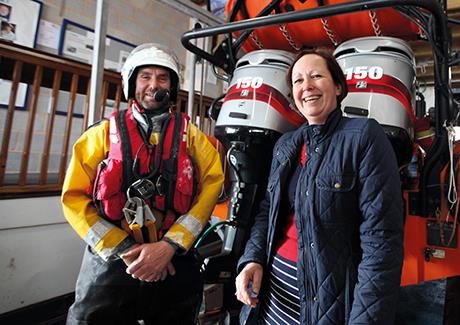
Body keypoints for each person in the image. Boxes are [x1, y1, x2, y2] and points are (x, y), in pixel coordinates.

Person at [235, 49, 404, 324]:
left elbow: (381, 240)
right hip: (270, 299)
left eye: (316, 76)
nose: (307, 86)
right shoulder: (286, 144)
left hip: (327, 305)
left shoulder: (363, 137)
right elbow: (268, 211)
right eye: (298, 81)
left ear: (338, 86)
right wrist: (252, 259)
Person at [62, 43, 224, 324]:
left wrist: (170, 246)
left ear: (171, 87)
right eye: (145, 77)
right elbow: (73, 199)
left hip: (174, 259)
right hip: (112, 260)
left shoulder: (194, 138)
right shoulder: (100, 135)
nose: (153, 85)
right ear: (131, 82)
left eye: (162, 78)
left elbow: (212, 187)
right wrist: (125, 250)